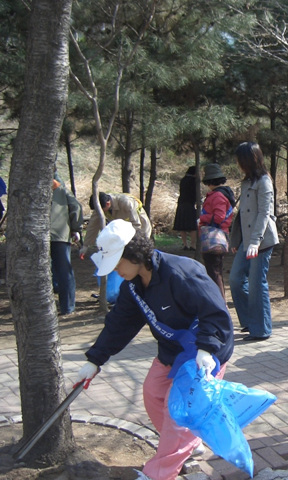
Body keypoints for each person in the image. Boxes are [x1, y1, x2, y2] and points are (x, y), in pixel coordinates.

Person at [75, 219, 234, 480]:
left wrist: (206, 348)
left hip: (206, 352)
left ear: (134, 254)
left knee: (178, 413)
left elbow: (215, 313)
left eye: (118, 262)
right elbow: (119, 324)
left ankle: (159, 473)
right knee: (153, 393)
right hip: (173, 351)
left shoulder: (181, 272)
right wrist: (95, 359)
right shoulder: (134, 286)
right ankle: (187, 443)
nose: (116, 270)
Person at [229, 142, 278, 341]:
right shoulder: (246, 181)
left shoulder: (264, 181)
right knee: (235, 279)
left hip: (262, 240)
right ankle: (250, 321)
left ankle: (261, 329)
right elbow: (242, 214)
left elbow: (264, 214)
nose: (238, 163)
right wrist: (236, 239)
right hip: (246, 240)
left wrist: (255, 242)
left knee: (257, 284)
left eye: (240, 159)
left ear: (249, 160)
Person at [200, 163, 236, 298]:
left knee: (214, 273)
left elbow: (219, 217)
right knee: (216, 272)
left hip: (214, 238)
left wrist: (202, 217)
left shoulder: (217, 196)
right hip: (220, 237)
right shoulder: (223, 194)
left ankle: (219, 303)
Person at [81, 191, 152, 256]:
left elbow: (136, 225)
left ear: (108, 204)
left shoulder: (126, 203)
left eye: (100, 210)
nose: (99, 212)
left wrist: (133, 243)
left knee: (139, 251)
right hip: (124, 227)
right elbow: (93, 226)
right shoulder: (100, 206)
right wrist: (85, 246)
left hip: (141, 225)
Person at [51, 178, 83, 315]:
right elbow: (76, 206)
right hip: (60, 234)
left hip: (36, 236)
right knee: (64, 272)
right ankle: (67, 307)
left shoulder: (29, 184)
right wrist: (76, 228)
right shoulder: (61, 188)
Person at [173, 166, 198, 250]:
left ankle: (185, 245)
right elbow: (195, 194)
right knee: (192, 226)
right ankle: (193, 245)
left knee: (182, 225)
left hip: (181, 203)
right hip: (190, 204)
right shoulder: (194, 181)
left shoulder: (183, 180)